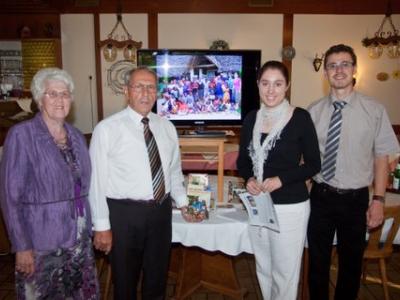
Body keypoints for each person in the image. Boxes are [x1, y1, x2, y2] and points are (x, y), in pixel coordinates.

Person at [88, 66, 197, 300]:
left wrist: (184, 202)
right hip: (124, 215)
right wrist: (101, 226)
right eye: (139, 87)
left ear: (157, 93)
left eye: (150, 87)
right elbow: (95, 183)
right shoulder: (107, 129)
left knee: (157, 281)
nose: (145, 93)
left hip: (161, 213)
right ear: (127, 91)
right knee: (125, 284)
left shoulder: (167, 127)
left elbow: (174, 171)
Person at [307, 44, 400, 300]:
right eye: (332, 65)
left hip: (356, 199)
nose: (339, 70)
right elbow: (307, 159)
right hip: (321, 196)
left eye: (345, 64)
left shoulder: (374, 110)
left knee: (350, 267)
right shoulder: (313, 112)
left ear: (355, 69)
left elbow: (382, 157)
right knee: (317, 265)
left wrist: (379, 200)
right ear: (325, 72)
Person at [0, 68, 99, 299]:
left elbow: (86, 186)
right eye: (52, 94)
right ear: (39, 99)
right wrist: (21, 245)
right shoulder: (21, 135)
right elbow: (10, 196)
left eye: (65, 94)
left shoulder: (76, 136)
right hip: (41, 239)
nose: (60, 100)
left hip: (79, 238)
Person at [237, 60, 321, 300]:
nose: (271, 90)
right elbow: (243, 161)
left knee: (285, 273)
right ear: (258, 85)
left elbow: (315, 164)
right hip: (259, 204)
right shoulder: (252, 118)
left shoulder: (300, 117)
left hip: (290, 206)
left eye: (277, 83)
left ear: (287, 86)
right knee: (263, 268)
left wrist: (281, 179)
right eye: (265, 83)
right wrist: (249, 178)